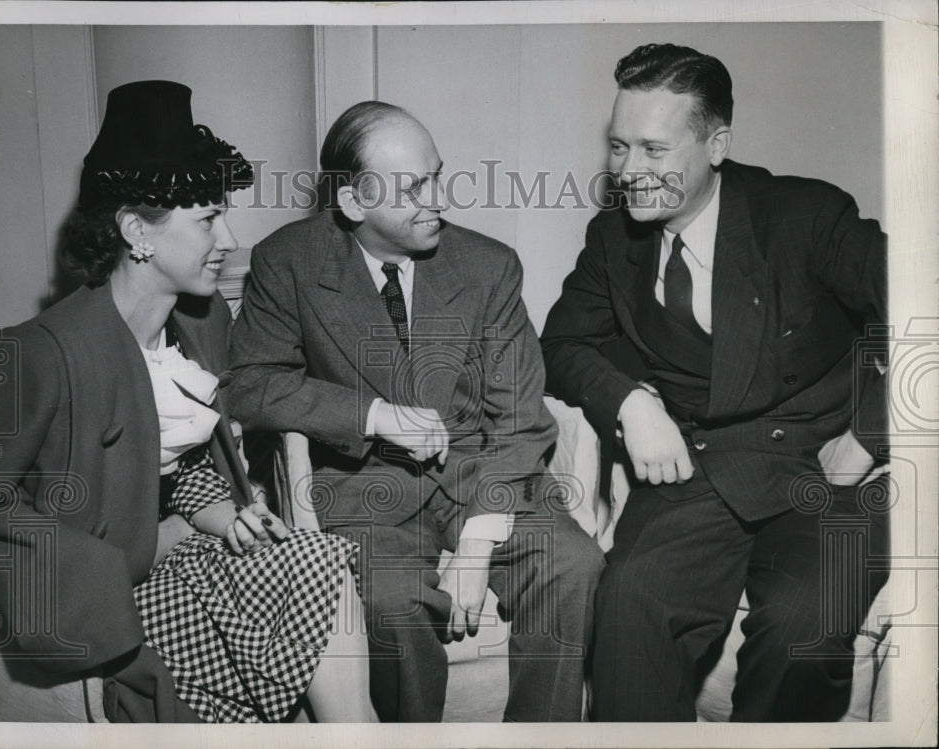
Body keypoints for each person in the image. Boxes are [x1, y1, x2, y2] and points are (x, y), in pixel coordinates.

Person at [0, 80, 376, 724]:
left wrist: (226, 517)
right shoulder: (36, 353)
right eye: (208, 218)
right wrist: (148, 545)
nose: (228, 239)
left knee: (312, 558)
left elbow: (186, 470)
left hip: (190, 564)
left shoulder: (202, 320)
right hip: (111, 602)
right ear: (137, 231)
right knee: (314, 569)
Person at [541, 43, 890, 722]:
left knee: (801, 630)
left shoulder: (805, 216)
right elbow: (561, 343)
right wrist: (630, 403)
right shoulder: (613, 239)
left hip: (824, 473)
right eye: (618, 147)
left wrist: (868, 436)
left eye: (652, 149)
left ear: (717, 143)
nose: (628, 173)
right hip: (695, 470)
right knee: (626, 606)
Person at [226, 101, 605, 722]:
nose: (438, 200)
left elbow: (520, 416)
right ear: (352, 203)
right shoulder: (287, 262)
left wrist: (480, 542)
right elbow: (249, 385)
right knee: (390, 604)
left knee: (574, 561)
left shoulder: (489, 266)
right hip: (362, 492)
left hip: (482, 475)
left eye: (437, 176)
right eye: (413, 188)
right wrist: (371, 413)